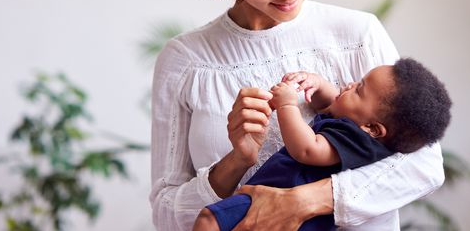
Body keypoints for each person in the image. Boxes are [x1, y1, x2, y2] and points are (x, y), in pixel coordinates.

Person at [150, 0, 445, 230]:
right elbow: (166, 214)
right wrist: (237, 160)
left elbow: (424, 165)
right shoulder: (187, 61)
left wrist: (304, 201)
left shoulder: (357, 34)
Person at [193, 58, 452, 230]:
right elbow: (331, 104)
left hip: (277, 201)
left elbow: (307, 149)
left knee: (209, 220)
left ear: (372, 129)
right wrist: (317, 84)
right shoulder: (359, 129)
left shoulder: (356, 140)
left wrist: (286, 105)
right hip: (284, 209)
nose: (349, 85)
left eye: (359, 89)